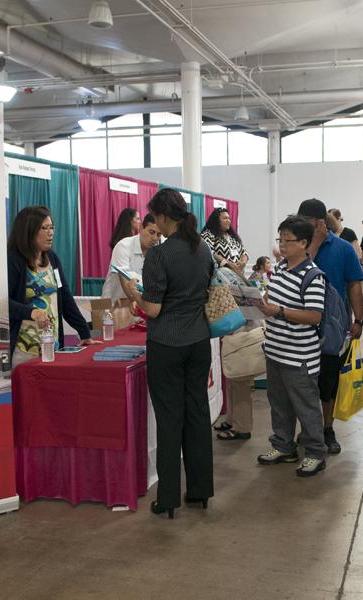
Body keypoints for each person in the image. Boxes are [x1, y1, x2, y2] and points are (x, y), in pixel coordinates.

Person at [119, 188, 214, 519]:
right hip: (199, 341)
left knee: (170, 419)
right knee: (198, 414)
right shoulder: (202, 250)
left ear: (160, 217)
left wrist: (134, 293)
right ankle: (201, 490)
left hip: (167, 346)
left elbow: (154, 309)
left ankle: (169, 497)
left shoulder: (159, 256)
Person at [257, 216, 329, 476]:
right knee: (279, 403)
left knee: (306, 406)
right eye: (280, 239)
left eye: (288, 240)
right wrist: (261, 302)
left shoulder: (312, 276)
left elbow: (314, 316)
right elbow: (273, 302)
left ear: (303, 243)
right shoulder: (279, 268)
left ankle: (314, 453)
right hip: (275, 350)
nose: (282, 245)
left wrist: (279, 311)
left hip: (299, 355)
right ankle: (283, 445)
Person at [297, 198, 363, 455]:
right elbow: (298, 273)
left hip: (333, 328)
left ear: (320, 223)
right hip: (300, 325)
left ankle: (327, 428)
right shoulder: (297, 248)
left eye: (309, 224)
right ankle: (307, 430)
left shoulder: (343, 249)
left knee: (328, 383)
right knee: (302, 385)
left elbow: (354, 285)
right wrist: (312, 244)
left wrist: (358, 320)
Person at [8, 206, 99, 369]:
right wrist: (31, 312)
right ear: (28, 231)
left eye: (52, 228)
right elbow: (3, 305)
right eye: (44, 228)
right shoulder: (14, 260)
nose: (50, 233)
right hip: (25, 350)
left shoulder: (52, 258)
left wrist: (84, 333)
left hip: (53, 346)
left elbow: (65, 298)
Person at [101, 213, 161, 300]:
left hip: (137, 305)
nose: (155, 238)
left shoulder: (158, 252)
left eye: (159, 234)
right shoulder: (123, 246)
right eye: (151, 232)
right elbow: (126, 285)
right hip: (111, 304)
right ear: (141, 228)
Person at [202, 207, 248, 277]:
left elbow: (244, 252)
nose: (228, 221)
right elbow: (209, 251)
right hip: (220, 277)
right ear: (216, 220)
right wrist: (229, 264)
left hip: (238, 276)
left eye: (229, 218)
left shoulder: (232, 236)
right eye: (225, 218)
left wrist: (243, 262)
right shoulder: (208, 234)